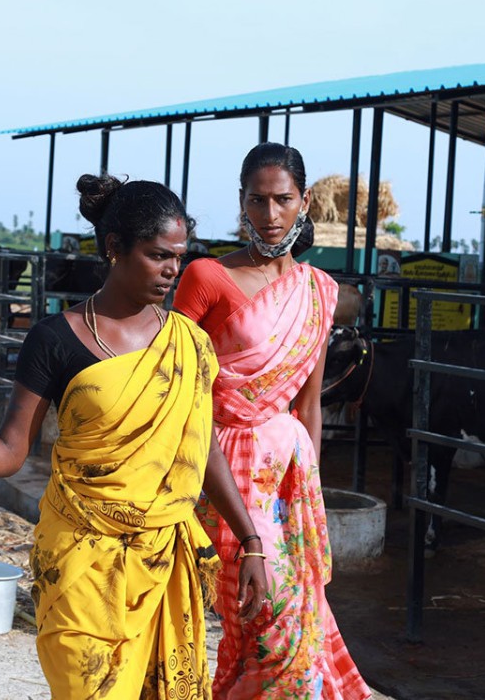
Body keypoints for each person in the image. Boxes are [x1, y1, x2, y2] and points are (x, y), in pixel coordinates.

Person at [0, 175, 266, 699]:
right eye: (158, 256)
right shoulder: (54, 340)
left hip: (163, 562)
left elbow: (203, 448)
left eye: (179, 256)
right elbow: (11, 450)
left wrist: (250, 543)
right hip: (82, 561)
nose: (173, 270)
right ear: (114, 248)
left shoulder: (190, 344)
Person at [173, 143, 371, 700]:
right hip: (222, 466)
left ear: (304, 202)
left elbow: (309, 404)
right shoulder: (206, 278)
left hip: (290, 476)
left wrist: (310, 494)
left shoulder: (319, 290)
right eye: (257, 201)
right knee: (267, 623)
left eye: (282, 200)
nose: (270, 214)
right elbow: (171, 383)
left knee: (291, 624)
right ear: (241, 203)